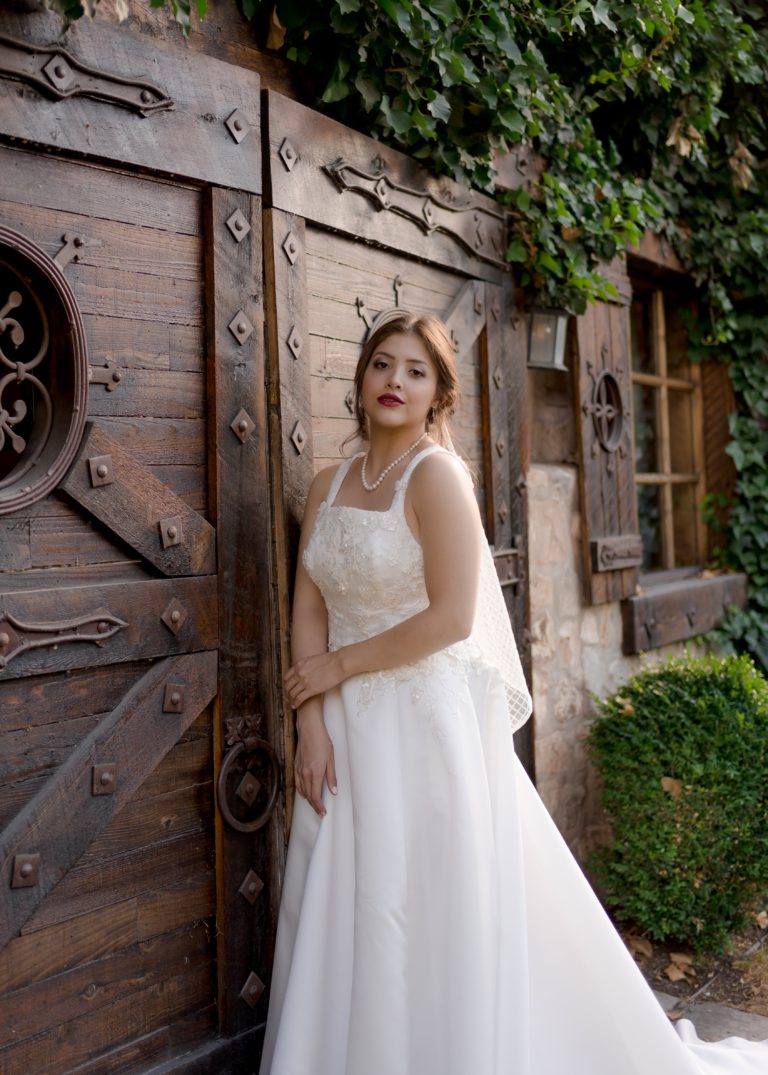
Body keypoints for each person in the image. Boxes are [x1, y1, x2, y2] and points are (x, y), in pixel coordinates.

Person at [259, 310, 767, 1075]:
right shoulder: (329, 483)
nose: (395, 380)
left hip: (422, 722)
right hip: (342, 730)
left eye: (415, 370)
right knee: (344, 902)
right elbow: (309, 606)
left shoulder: (435, 476)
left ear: (438, 395)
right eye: (382, 364)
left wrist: (337, 668)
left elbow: (451, 617)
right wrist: (311, 720)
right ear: (361, 380)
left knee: (422, 902)